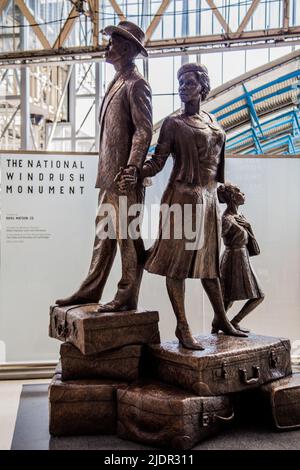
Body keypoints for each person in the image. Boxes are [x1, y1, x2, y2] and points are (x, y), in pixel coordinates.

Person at [120, 63, 247, 350]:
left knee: (209, 267)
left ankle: (222, 320)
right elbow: (158, 161)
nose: (183, 88)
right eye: (180, 84)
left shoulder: (215, 124)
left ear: (202, 87)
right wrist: (136, 171)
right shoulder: (173, 123)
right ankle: (182, 326)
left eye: (189, 83)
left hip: (209, 203)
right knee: (177, 266)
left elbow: (218, 171)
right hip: (182, 199)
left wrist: (226, 191)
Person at [56, 21, 152, 312]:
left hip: (124, 178)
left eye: (112, 42)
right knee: (103, 236)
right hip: (109, 177)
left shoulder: (137, 84)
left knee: (128, 239)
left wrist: (133, 167)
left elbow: (143, 130)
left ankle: (127, 295)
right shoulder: (117, 82)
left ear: (127, 49)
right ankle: (91, 289)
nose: (107, 47)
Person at [217, 183, 265, 332]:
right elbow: (214, 238)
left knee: (258, 296)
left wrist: (249, 227)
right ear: (232, 196)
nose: (243, 194)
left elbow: (254, 248)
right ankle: (220, 325)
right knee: (227, 299)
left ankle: (231, 322)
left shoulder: (240, 218)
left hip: (242, 258)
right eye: (239, 191)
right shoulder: (226, 219)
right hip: (232, 259)